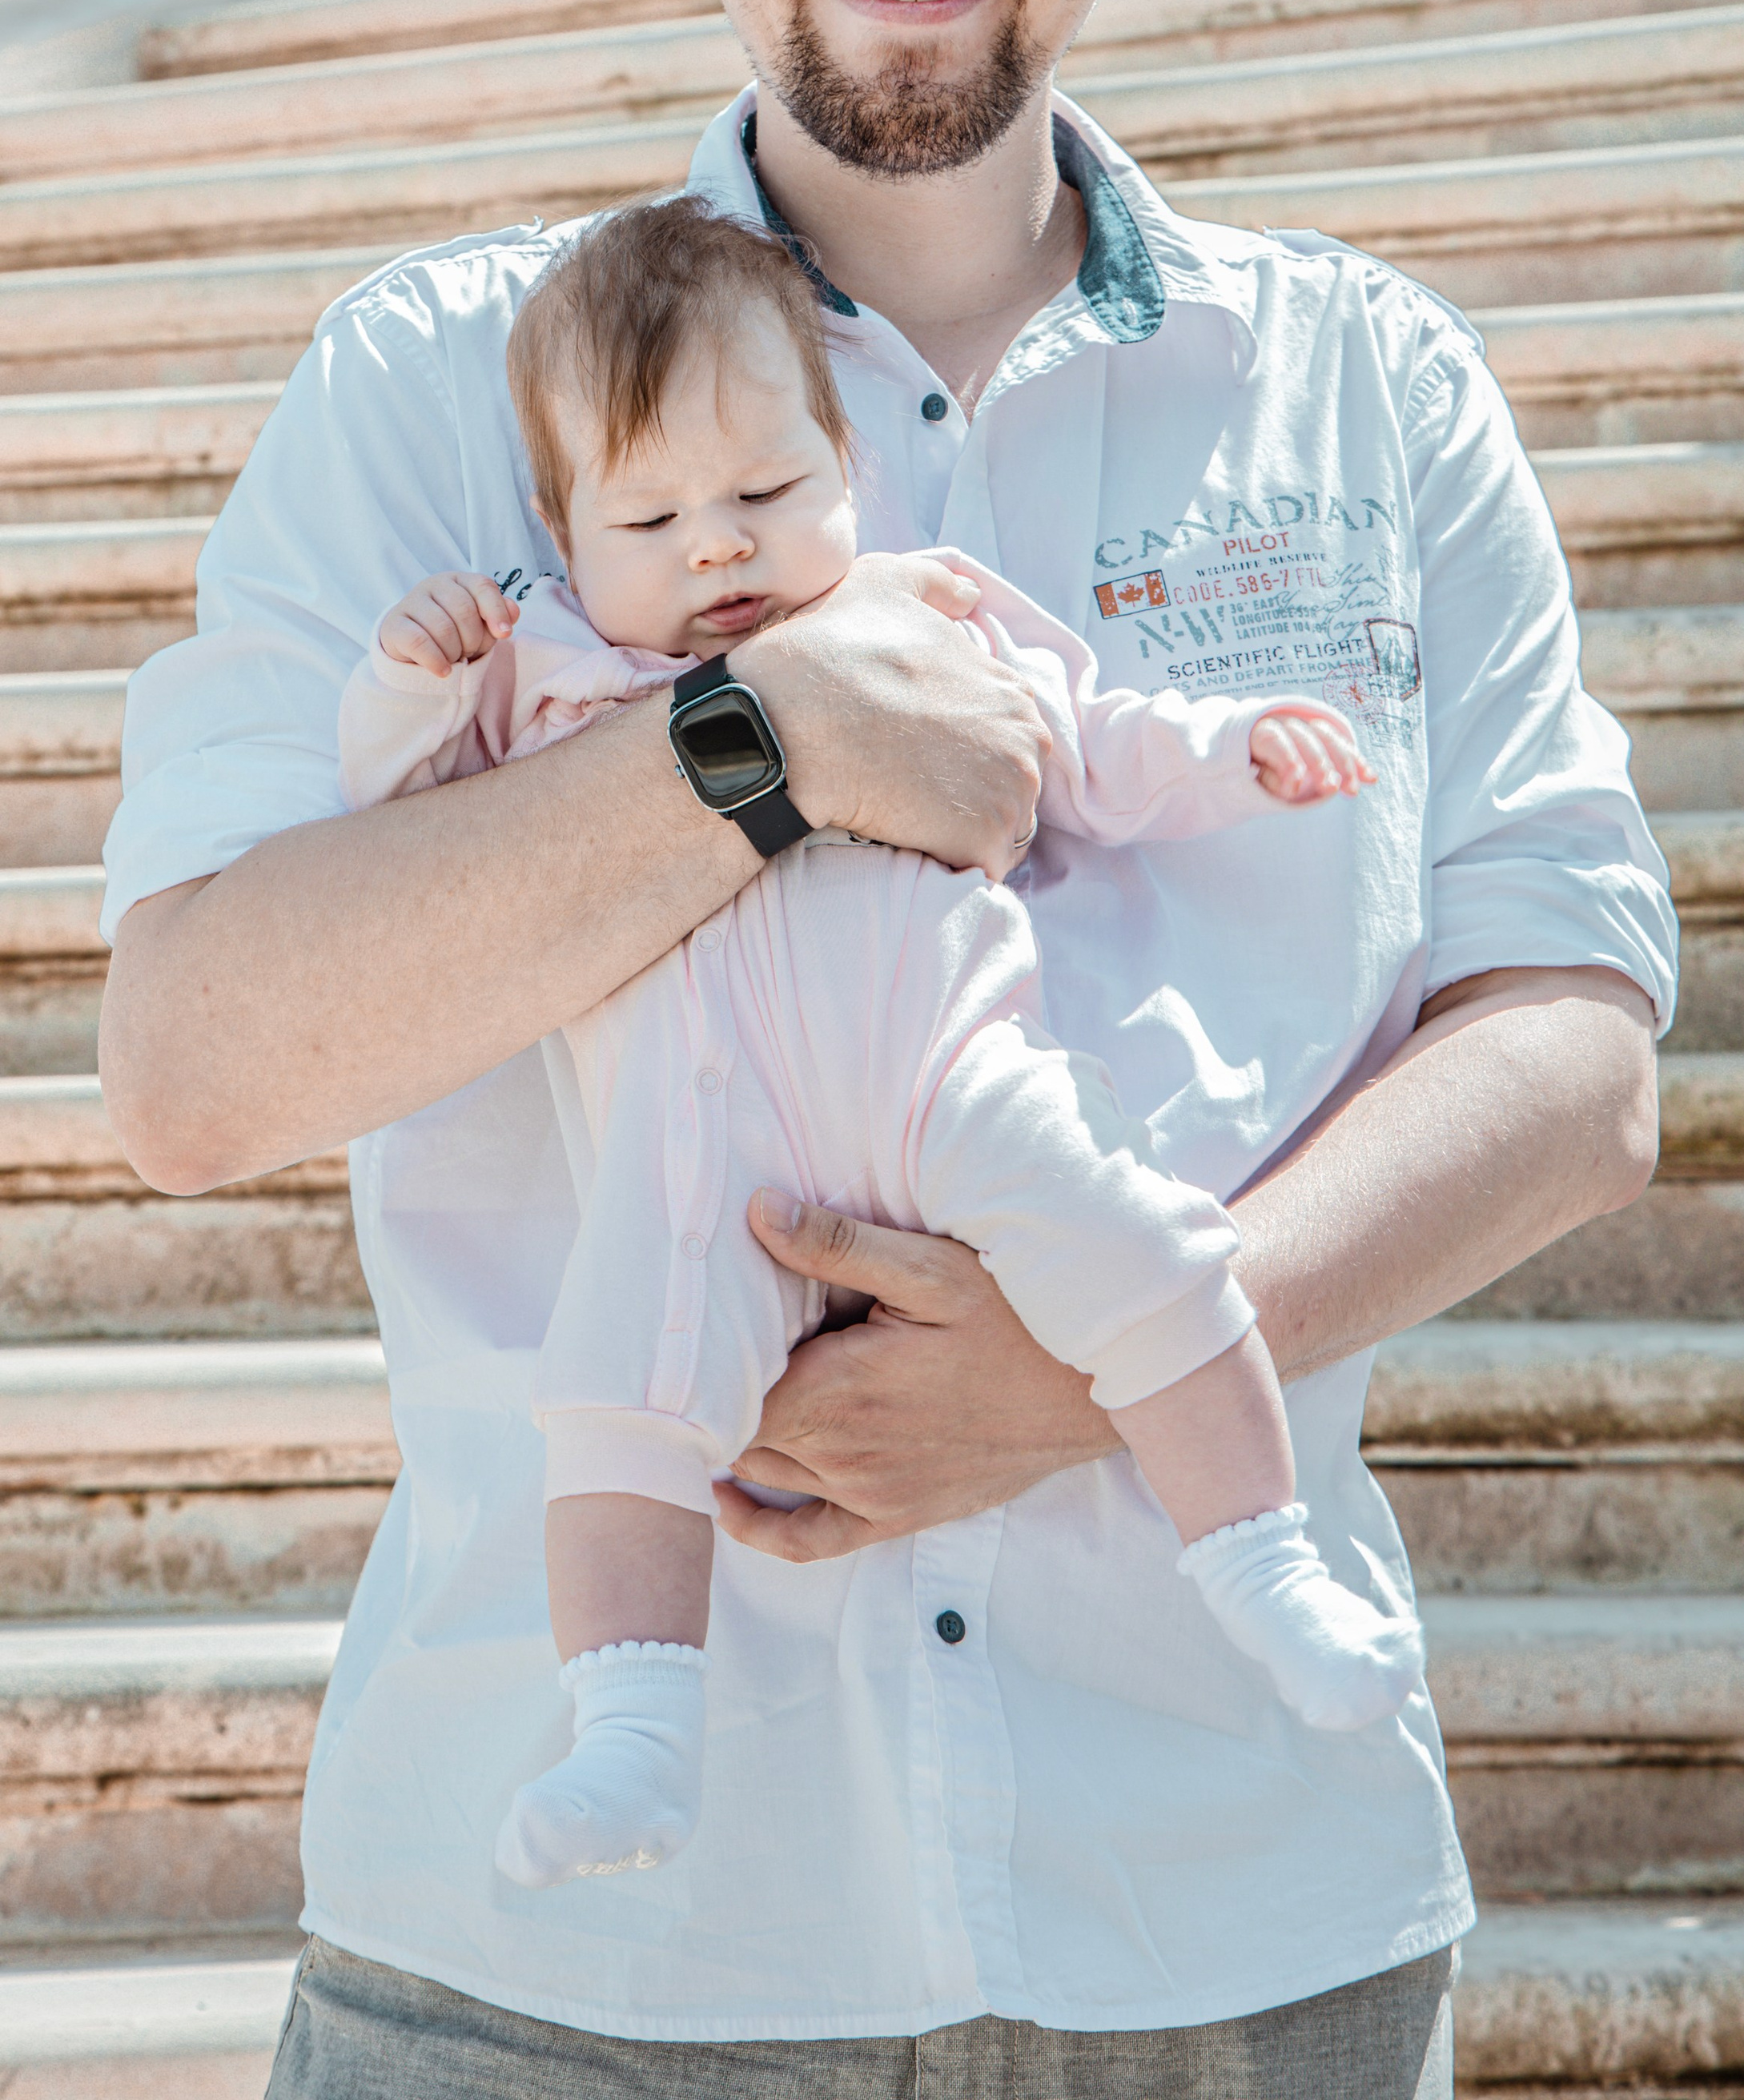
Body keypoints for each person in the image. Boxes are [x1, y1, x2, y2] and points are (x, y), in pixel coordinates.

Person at [98, 0, 1678, 2097]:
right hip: (570, 1968)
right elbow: (198, 1063)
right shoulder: (431, 382)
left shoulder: (1368, 388)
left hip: (1234, 1916)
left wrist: (1101, 1371)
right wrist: (753, 734)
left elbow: (1576, 1047)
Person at [341, 192, 1421, 1892]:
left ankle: (1261, 1562)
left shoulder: (928, 609)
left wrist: (1233, 749)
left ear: (839, 460)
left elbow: (1094, 743)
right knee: (617, 1396)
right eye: (651, 514)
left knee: (1144, 1250)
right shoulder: (544, 671)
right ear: (559, 528)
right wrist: (413, 679)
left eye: (765, 493)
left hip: (947, 1078)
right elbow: (396, 823)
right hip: (704, 1145)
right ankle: (633, 1729)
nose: (716, 548)